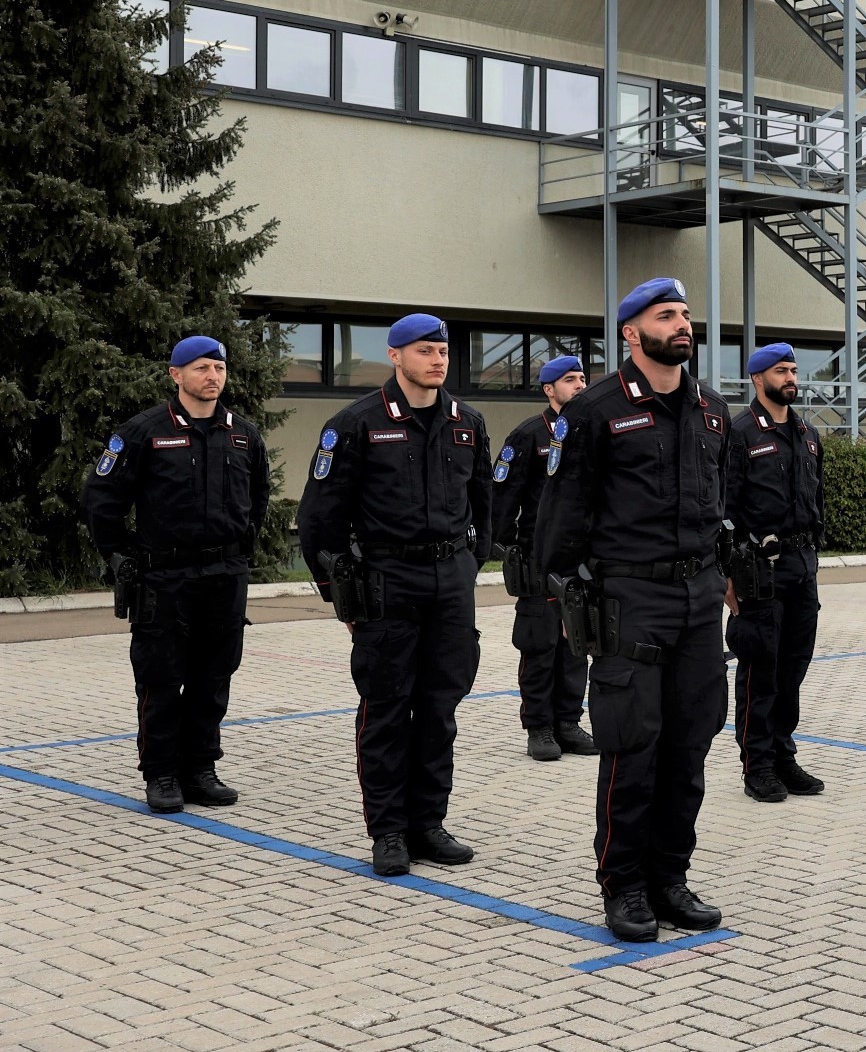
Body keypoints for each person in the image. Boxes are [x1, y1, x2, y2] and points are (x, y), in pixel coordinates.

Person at [535, 278, 732, 944]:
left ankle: (670, 879)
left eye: (683, 314)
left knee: (691, 745)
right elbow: (560, 521)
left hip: (698, 600)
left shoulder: (711, 409)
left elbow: (719, 504)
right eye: (664, 315)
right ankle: (624, 886)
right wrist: (569, 600)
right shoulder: (594, 410)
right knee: (631, 747)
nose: (681, 324)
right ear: (630, 332)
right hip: (629, 601)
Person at [295, 314, 490, 876]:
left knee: (439, 708)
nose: (438, 359)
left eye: (444, 350)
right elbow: (319, 520)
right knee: (385, 709)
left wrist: (469, 564)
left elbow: (483, 506)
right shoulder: (356, 423)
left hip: (449, 582)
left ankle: (428, 823)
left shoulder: (466, 421)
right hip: (387, 582)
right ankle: (388, 831)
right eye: (425, 351)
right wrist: (342, 594)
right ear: (395, 356)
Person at [80, 335, 273, 813]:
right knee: (161, 677)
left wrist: (237, 551)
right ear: (177, 375)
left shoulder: (243, 434)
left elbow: (259, 498)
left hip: (224, 574)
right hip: (163, 575)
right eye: (202, 368)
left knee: (214, 675)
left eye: (219, 369)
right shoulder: (143, 432)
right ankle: (162, 773)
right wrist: (121, 557)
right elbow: (101, 501)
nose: (212, 377)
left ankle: (201, 768)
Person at [726, 341, 827, 804]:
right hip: (758, 573)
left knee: (793, 670)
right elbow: (721, 510)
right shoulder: (740, 433)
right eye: (781, 371)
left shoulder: (807, 434)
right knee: (759, 670)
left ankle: (784, 755)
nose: (791, 378)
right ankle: (758, 765)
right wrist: (727, 576)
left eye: (793, 370)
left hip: (801, 568)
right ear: (757, 378)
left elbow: (816, 500)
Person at [491, 354, 597, 761]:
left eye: (583, 378)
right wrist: (500, 547)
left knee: (577, 645)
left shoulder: (593, 432)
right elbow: (502, 496)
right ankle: (539, 727)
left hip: (580, 560)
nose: (580, 386)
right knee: (539, 646)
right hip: (538, 558)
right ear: (549, 389)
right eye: (570, 380)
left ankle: (568, 723)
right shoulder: (529, 435)